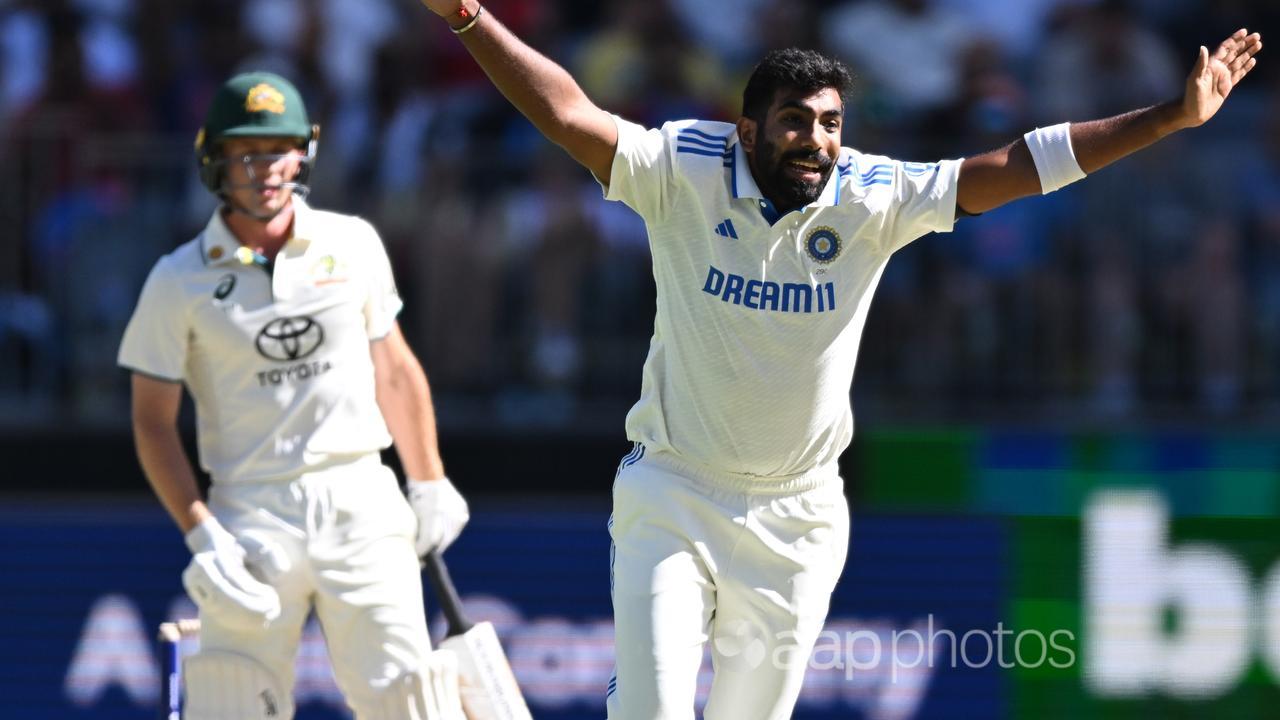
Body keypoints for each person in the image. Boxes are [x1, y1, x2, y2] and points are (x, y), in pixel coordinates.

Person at [417, 1, 1262, 717]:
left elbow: (1017, 164)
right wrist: (467, 15)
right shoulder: (684, 168)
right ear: (747, 129)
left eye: (828, 123)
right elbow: (568, 112)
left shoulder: (871, 196)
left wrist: (1170, 117)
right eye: (793, 121)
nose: (814, 141)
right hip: (673, 491)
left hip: (799, 516)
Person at [118, 71, 469, 720]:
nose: (266, 168)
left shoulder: (352, 242)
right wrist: (201, 533)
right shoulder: (177, 280)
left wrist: (429, 481)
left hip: (358, 495)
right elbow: (151, 422)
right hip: (250, 513)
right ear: (213, 159)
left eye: (279, 150)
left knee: (411, 702)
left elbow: (393, 367)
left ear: (302, 153)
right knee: (230, 704)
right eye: (247, 153)